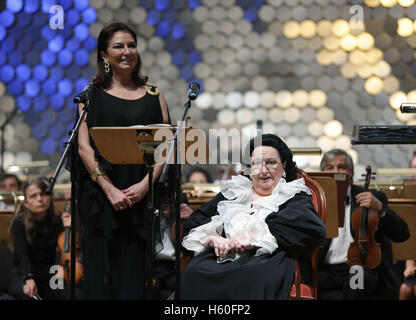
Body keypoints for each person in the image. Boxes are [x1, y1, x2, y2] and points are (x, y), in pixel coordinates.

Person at [76, 22, 169, 299]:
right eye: (119, 46)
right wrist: (109, 189)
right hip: (101, 200)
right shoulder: (89, 97)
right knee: (98, 281)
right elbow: (83, 148)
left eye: (131, 45)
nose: (127, 51)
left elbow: (165, 147)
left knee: (133, 280)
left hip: (140, 200)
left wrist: (144, 186)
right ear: (104, 55)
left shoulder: (155, 95)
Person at [180, 134, 326, 299]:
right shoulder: (235, 192)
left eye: (271, 163)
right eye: (256, 164)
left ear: (283, 165)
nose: (263, 170)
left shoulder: (293, 195)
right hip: (222, 257)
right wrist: (214, 238)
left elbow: (311, 228)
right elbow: (195, 222)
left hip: (266, 259)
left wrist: (252, 238)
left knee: (254, 276)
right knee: (194, 271)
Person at [317, 149, 410, 300]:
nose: (336, 172)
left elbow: (402, 234)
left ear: (351, 172)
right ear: (322, 172)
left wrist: (380, 208)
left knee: (359, 280)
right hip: (327, 273)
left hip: (357, 269)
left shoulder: (372, 198)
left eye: (341, 167)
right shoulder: (315, 201)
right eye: (330, 167)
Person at [8, 177, 71, 300]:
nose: (40, 199)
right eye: (33, 196)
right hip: (24, 273)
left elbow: (65, 251)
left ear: (50, 197)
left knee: (73, 295)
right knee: (30, 296)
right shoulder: (19, 222)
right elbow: (22, 255)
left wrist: (69, 228)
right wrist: (29, 278)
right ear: (26, 203)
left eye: (43, 194)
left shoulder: (58, 220)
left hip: (50, 274)